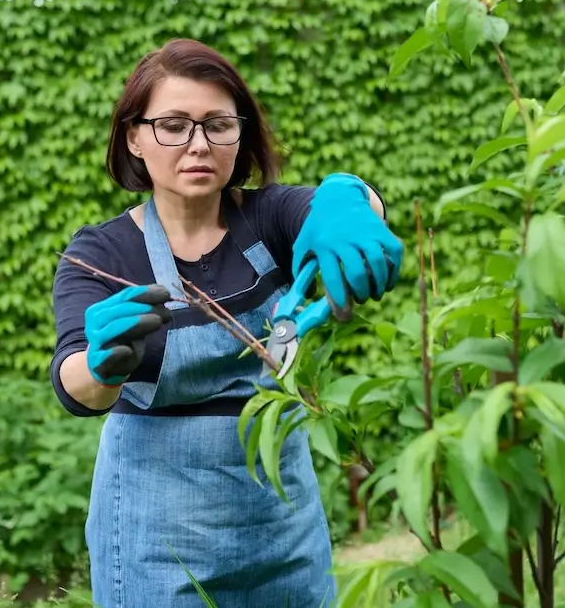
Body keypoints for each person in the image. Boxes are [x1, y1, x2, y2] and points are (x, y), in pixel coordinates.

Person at [49, 37, 404, 608]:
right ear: (135, 137)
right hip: (155, 544)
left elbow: (341, 208)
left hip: (282, 532)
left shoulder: (268, 217)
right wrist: (100, 365)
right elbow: (73, 383)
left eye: (218, 124)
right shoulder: (102, 254)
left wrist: (350, 201)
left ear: (240, 136)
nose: (198, 144)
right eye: (173, 125)